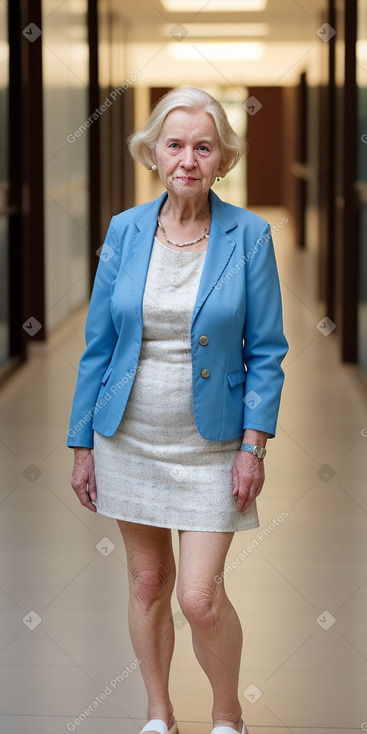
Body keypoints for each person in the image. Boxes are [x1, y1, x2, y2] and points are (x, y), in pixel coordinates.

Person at [67, 87, 288, 734]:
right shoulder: (125, 230)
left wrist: (253, 445)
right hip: (128, 437)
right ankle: (159, 714)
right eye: (174, 144)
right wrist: (81, 443)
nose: (187, 158)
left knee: (198, 596)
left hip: (212, 443)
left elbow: (268, 350)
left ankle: (226, 714)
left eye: (203, 145)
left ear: (221, 158)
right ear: (152, 154)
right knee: (145, 583)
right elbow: (98, 345)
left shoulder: (248, 235)